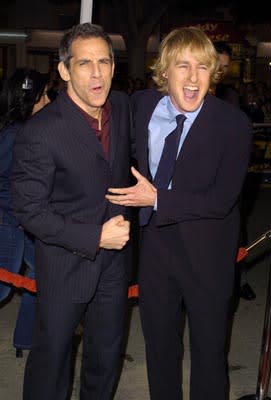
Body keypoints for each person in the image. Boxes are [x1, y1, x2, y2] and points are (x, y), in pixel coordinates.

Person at [106, 27, 253, 400]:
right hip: (155, 254)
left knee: (208, 356)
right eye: (183, 66)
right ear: (165, 71)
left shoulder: (233, 124)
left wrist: (156, 199)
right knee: (159, 351)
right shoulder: (140, 106)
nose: (192, 78)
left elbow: (221, 199)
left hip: (208, 256)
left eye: (202, 68)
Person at [11, 23, 131, 400]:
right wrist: (95, 236)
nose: (97, 73)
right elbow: (29, 210)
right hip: (65, 267)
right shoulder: (41, 131)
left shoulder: (122, 109)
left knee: (105, 360)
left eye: (104, 62)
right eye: (84, 64)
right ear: (64, 70)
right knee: (52, 364)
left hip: (114, 270)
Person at [0, 68, 50, 357]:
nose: (47, 102)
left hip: (26, 221)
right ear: (27, 100)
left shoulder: (23, 131)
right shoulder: (16, 135)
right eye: (42, 97)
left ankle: (26, 339)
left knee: (40, 277)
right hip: (11, 222)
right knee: (4, 288)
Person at [214, 41, 256, 301]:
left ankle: (238, 280)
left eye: (225, 68)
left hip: (226, 177)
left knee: (236, 231)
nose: (221, 71)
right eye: (217, 65)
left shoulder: (229, 97)